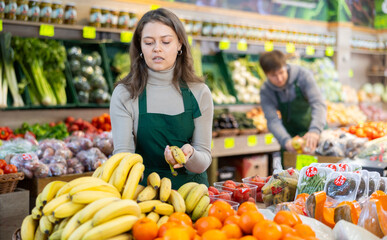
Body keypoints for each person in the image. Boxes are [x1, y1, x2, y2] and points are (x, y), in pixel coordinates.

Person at [110, 8, 213, 189]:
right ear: (140, 46)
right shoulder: (125, 94)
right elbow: (123, 155)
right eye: (149, 43)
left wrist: (190, 155)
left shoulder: (199, 92)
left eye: (166, 41)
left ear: (180, 44)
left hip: (192, 196)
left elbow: (204, 159)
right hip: (144, 193)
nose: (157, 48)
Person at [259, 50, 327, 155]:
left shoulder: (303, 76)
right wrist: (285, 141)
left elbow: (318, 104)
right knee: (291, 170)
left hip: (314, 133)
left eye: (281, 72)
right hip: (290, 137)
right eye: (273, 75)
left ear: (285, 66)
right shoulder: (266, 91)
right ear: (266, 74)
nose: (279, 79)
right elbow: (272, 120)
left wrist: (315, 130)